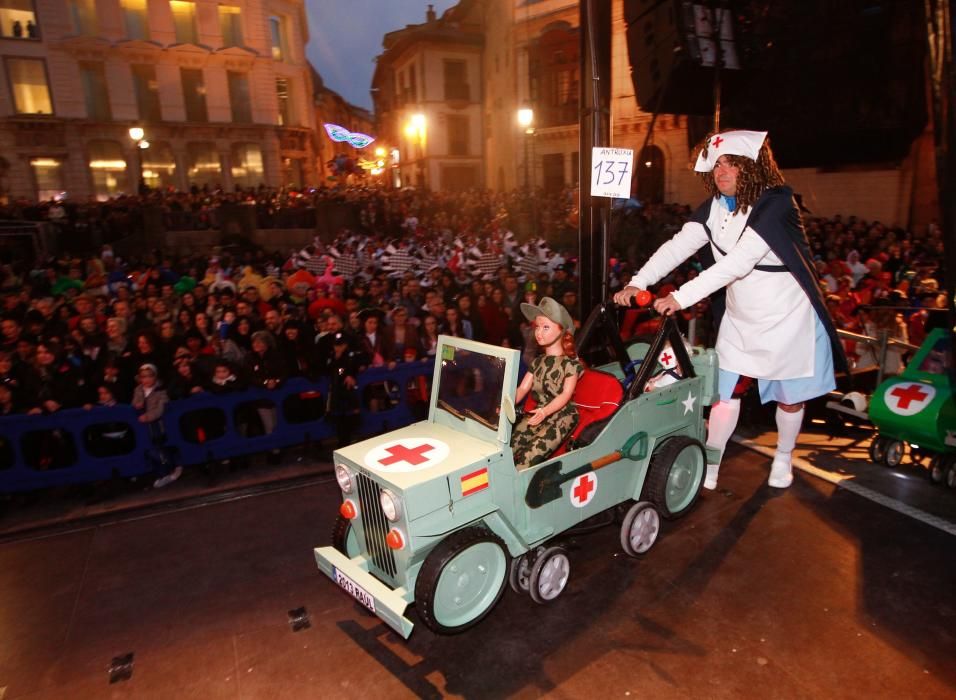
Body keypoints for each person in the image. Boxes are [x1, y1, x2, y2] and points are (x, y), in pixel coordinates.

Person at [614, 129, 847, 490]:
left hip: (787, 317)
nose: (722, 172)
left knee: (789, 400)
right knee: (724, 394)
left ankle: (784, 457)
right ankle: (711, 462)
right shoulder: (714, 207)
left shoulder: (777, 202)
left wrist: (680, 296)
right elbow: (678, 246)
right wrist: (637, 282)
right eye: (717, 164)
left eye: (732, 164)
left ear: (752, 168)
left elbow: (738, 262)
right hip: (741, 316)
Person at [511, 297, 583, 470]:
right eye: (537, 327)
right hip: (538, 412)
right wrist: (506, 401)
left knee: (529, 457)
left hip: (562, 416)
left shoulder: (570, 364)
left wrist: (545, 412)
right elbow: (522, 388)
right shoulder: (538, 362)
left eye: (546, 327)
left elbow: (566, 395)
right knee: (508, 449)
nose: (539, 332)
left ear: (562, 330)